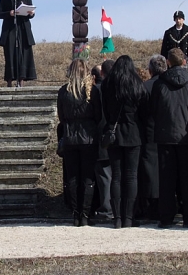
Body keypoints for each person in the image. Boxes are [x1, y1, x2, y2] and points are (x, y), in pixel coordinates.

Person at [151, 48, 188, 228]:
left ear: (168, 62)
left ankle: (166, 218)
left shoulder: (159, 84)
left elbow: (154, 109)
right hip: (187, 136)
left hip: (165, 135)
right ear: (184, 62)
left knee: (166, 180)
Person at [102, 56, 148, 229]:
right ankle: (129, 217)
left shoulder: (107, 85)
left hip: (113, 133)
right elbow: (143, 112)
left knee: (116, 175)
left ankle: (117, 218)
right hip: (133, 133)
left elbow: (106, 110)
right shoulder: (137, 84)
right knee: (131, 176)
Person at [57, 59, 102, 226]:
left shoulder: (64, 91)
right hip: (89, 137)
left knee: (73, 177)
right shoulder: (92, 91)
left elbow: (61, 117)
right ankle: (85, 214)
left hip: (70, 137)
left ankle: (75, 214)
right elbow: (98, 115)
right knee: (88, 177)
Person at [138, 54, 167, 221]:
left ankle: (150, 206)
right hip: (168, 131)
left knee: (149, 170)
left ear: (150, 70)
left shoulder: (145, 87)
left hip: (148, 132)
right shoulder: (168, 85)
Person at [0, 0, 37, 87]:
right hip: (10, 28)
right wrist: (9, 13)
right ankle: (9, 81)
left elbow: (31, 13)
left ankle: (21, 80)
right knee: (10, 54)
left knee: (23, 53)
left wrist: (31, 13)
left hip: (23, 28)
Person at [93, 59, 114, 221]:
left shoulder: (97, 91)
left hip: (101, 136)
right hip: (119, 136)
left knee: (105, 176)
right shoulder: (121, 87)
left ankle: (107, 209)